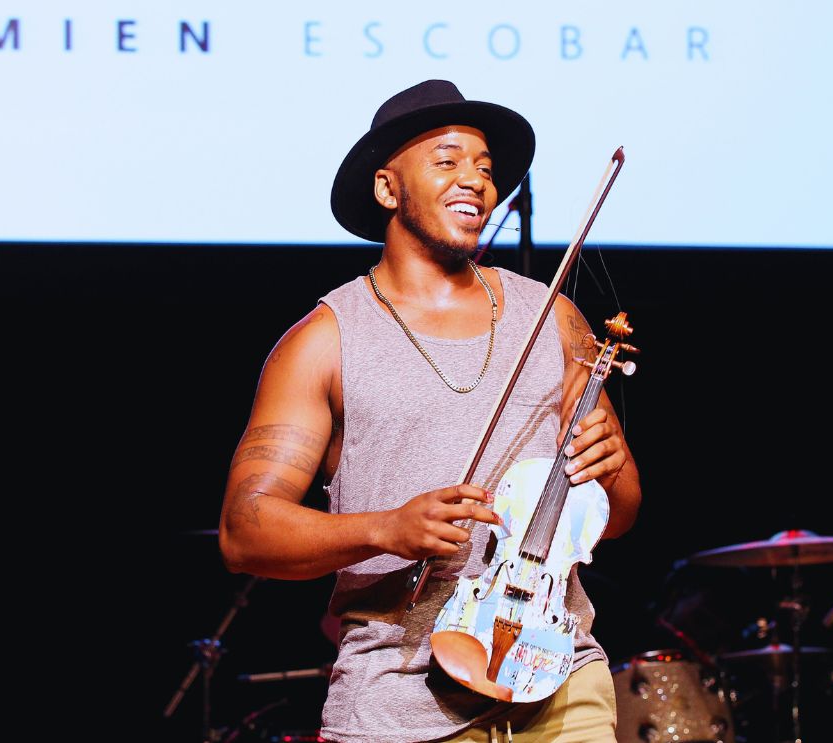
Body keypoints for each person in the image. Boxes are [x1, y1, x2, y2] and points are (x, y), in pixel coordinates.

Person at [218, 80, 641, 743]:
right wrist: (387, 527)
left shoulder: (555, 319)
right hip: (395, 697)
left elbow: (615, 518)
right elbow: (245, 532)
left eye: (484, 169)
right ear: (388, 188)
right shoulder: (324, 340)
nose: (474, 180)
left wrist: (611, 470)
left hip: (554, 673)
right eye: (447, 160)